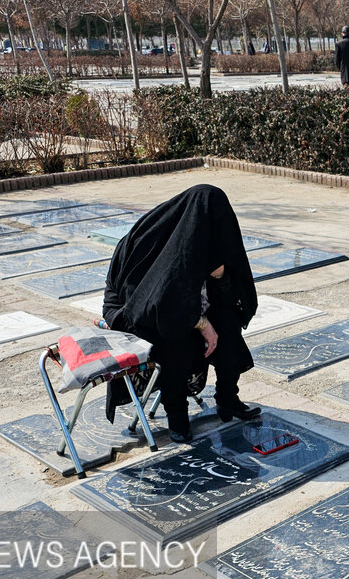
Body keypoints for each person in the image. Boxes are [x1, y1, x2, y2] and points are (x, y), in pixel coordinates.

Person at [103, 185, 261, 443]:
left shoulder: (205, 241)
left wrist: (219, 275)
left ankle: (228, 398)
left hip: (183, 309)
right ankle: (176, 414)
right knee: (177, 337)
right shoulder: (160, 239)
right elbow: (161, 305)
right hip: (136, 314)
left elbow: (228, 299)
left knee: (228, 323)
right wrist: (201, 324)